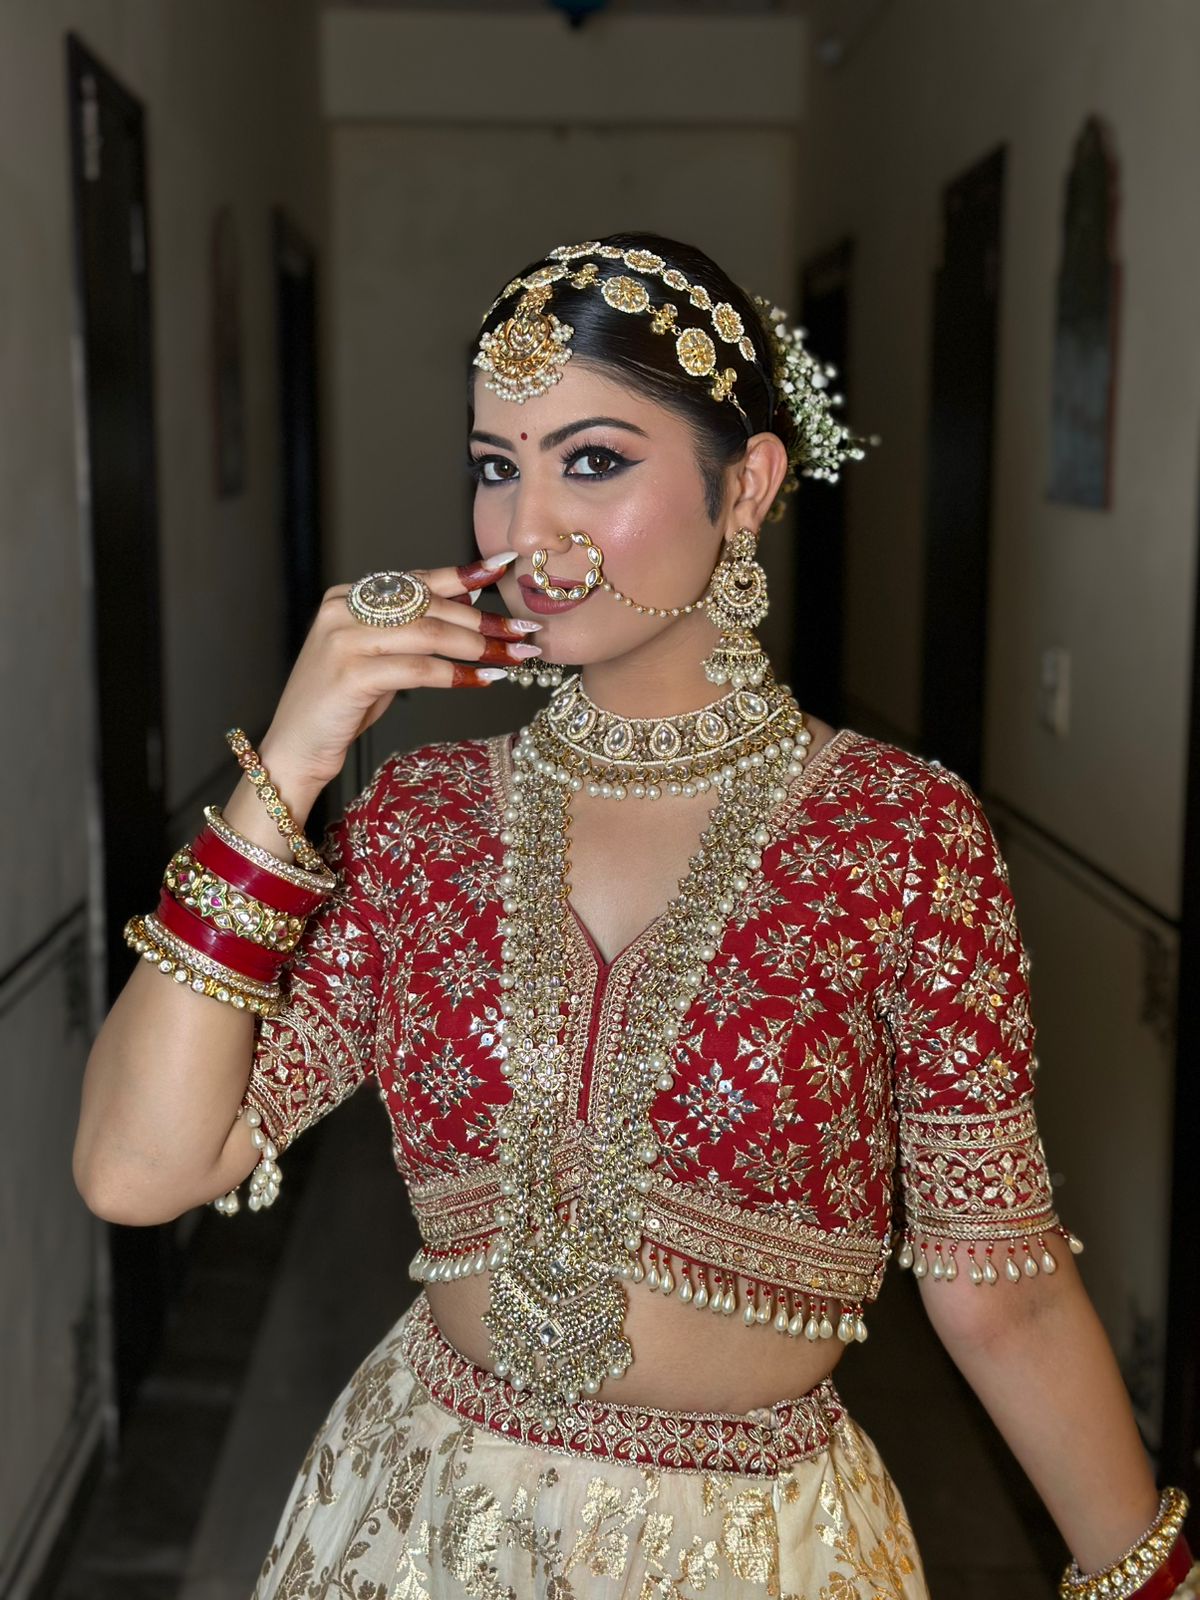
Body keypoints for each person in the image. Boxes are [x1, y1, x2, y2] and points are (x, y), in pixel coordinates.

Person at [75, 232, 1196, 1599]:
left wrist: (1152, 1578)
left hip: (760, 1551)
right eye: (498, 466)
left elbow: (999, 1283)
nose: (526, 530)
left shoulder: (898, 836)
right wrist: (293, 766)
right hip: (419, 1521)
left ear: (747, 486)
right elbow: (138, 1171)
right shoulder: (427, 822)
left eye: (593, 461)